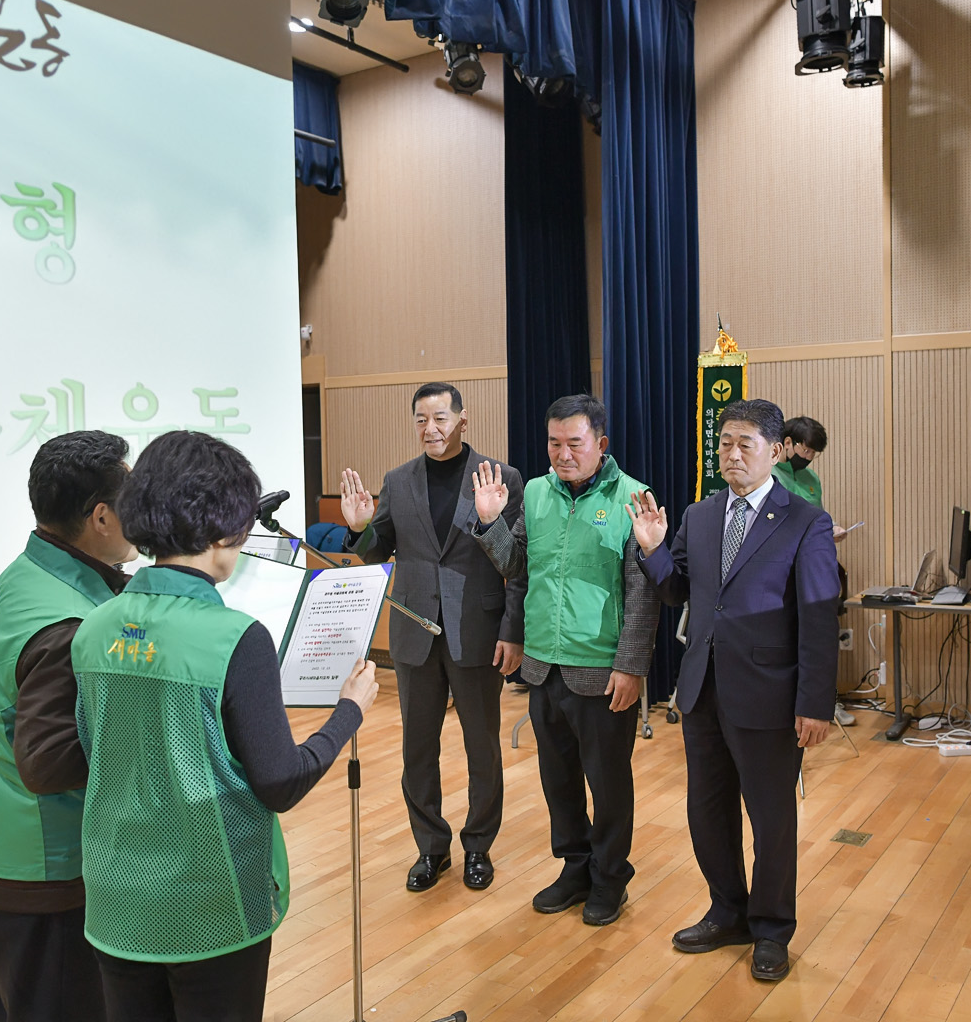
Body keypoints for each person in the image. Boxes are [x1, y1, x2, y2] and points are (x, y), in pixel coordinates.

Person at [71, 431, 379, 1022]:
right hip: (210, 901)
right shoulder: (237, 638)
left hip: (114, 898)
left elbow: (96, 754)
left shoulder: (94, 627)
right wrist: (349, 710)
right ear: (221, 530)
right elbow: (281, 782)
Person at [626, 398, 839, 983]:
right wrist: (653, 550)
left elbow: (819, 617)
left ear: (776, 451)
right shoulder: (699, 515)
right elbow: (678, 592)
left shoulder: (805, 521)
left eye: (746, 444)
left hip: (770, 694)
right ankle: (728, 911)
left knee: (771, 820)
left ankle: (771, 929)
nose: (733, 454)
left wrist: (815, 702)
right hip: (702, 690)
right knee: (707, 811)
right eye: (725, 443)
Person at [0, 430, 135, 1022]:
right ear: (101, 517)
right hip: (41, 869)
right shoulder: (65, 624)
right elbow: (49, 763)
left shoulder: (28, 573)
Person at [472, 394, 660, 927]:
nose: (563, 454)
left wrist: (631, 667)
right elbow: (518, 568)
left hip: (602, 670)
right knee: (558, 781)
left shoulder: (633, 497)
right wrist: (490, 522)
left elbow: (642, 594)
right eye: (554, 443)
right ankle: (575, 868)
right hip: (543, 665)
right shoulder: (535, 492)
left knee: (608, 783)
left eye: (574, 443)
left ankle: (610, 877)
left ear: (601, 443)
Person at [338, 382, 526, 892]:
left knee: (482, 748)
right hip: (414, 634)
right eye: (421, 419)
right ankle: (431, 848)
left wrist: (512, 631)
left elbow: (515, 565)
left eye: (440, 418)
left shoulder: (500, 477)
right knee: (417, 749)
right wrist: (358, 530)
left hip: (477, 631)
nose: (430, 429)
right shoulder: (398, 481)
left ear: (463, 419)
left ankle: (479, 846)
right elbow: (377, 550)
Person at [773, 414, 854, 724]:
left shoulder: (811, 480)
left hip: (815, 568)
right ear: (788, 443)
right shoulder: (770, 476)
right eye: (806, 450)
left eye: (814, 453)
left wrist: (830, 529)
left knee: (820, 638)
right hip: (784, 573)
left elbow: (816, 518)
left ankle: (824, 702)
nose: (808, 457)